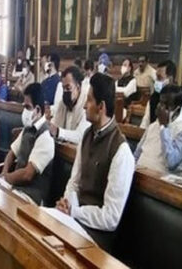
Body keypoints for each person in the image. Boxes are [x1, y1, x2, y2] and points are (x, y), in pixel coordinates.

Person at [56, 73, 135, 248]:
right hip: (75, 220)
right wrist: (68, 204)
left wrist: (74, 212)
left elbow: (111, 217)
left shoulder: (121, 151)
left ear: (101, 106)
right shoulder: (87, 135)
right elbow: (74, 181)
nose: (84, 105)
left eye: (89, 100)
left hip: (96, 236)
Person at [0, 83, 54, 205]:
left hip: (32, 197)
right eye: (24, 106)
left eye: (28, 107)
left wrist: (5, 178)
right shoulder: (27, 129)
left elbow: (27, 174)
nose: (25, 111)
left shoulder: (45, 137)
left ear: (38, 110)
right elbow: (11, 153)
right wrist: (3, 172)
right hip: (15, 188)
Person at [134, 84, 182, 176]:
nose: (162, 108)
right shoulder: (152, 126)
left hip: (163, 183)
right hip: (140, 176)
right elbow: (137, 154)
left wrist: (164, 128)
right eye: (161, 103)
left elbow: (171, 162)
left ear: (177, 110)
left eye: (167, 105)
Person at [49, 66, 90, 145]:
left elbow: (81, 136)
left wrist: (58, 132)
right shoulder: (63, 103)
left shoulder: (86, 104)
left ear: (78, 87)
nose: (65, 91)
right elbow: (55, 124)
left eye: (68, 88)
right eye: (63, 88)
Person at [140, 60, 176, 129]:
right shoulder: (154, 97)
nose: (156, 81)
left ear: (170, 79)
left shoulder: (178, 99)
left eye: (159, 77)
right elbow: (145, 122)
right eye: (156, 77)